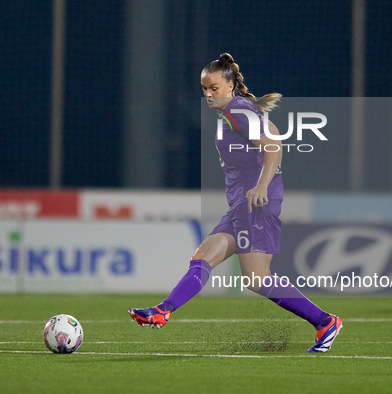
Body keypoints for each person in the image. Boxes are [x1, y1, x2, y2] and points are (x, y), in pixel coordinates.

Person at [128, 53, 342, 353]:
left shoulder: (237, 110)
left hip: (256, 203)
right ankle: (162, 310)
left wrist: (261, 185)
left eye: (213, 87)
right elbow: (274, 134)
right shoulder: (236, 110)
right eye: (204, 88)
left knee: (256, 279)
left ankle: (325, 322)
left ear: (229, 85)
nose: (208, 94)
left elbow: (274, 146)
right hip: (242, 205)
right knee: (202, 258)